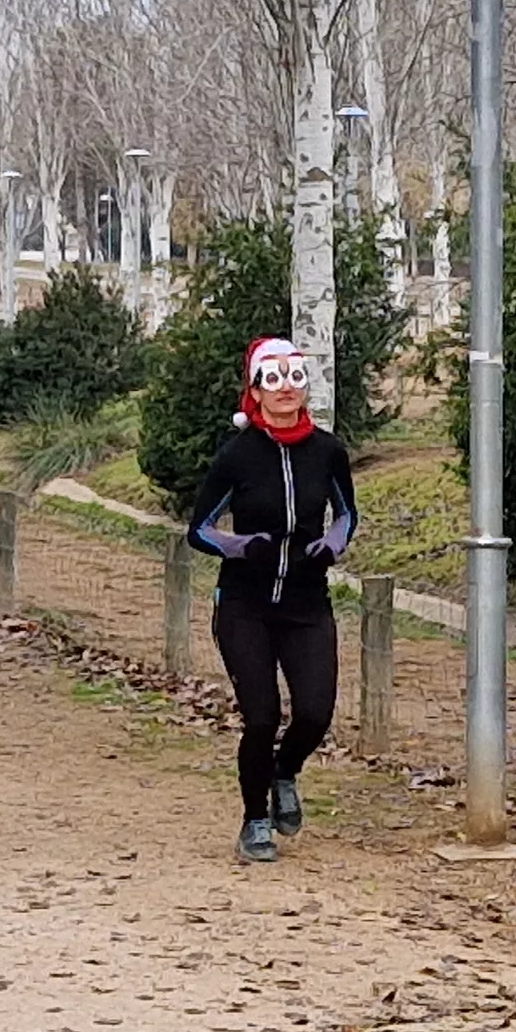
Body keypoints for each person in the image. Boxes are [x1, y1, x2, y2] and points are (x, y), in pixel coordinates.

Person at [185, 335, 357, 865]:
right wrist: (241, 546)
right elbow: (200, 529)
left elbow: (347, 513)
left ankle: (286, 772)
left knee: (315, 712)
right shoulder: (237, 456)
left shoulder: (328, 451)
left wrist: (331, 545)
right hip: (245, 605)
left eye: (295, 378)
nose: (286, 390)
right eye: (273, 379)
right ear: (255, 390)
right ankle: (254, 819)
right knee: (261, 716)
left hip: (307, 604)